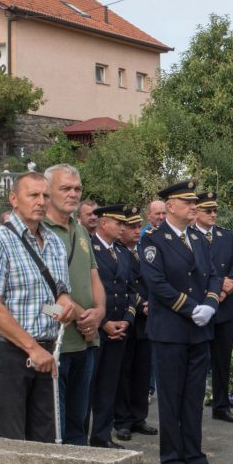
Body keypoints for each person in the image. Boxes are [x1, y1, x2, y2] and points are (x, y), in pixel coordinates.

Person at [0, 171, 77, 442]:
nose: (41, 201)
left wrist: (64, 306)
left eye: (45, 195)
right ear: (14, 199)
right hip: (8, 352)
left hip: (46, 351)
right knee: (11, 440)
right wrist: (32, 348)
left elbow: (55, 298)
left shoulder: (54, 242)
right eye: (33, 195)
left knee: (45, 438)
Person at [139, 180, 226, 464]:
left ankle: (194, 456)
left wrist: (211, 304)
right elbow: (157, 283)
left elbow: (214, 275)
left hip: (198, 331)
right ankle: (172, 460)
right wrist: (192, 308)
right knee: (171, 398)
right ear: (171, 207)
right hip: (171, 331)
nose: (194, 207)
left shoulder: (199, 239)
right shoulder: (153, 240)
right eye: (188, 203)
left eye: (195, 203)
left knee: (193, 398)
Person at [41, 164, 104, 446]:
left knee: (80, 422)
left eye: (77, 188)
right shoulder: (38, 230)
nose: (73, 194)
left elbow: (94, 276)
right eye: (65, 188)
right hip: (56, 342)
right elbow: (44, 294)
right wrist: (83, 317)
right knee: (57, 425)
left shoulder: (80, 229)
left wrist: (99, 313)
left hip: (87, 340)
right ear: (48, 192)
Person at [192, 191, 233, 424]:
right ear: (196, 212)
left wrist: (227, 287)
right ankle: (194, 406)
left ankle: (221, 405)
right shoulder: (190, 236)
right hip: (202, 306)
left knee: (222, 360)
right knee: (199, 360)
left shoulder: (225, 235)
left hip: (225, 306)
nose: (213, 214)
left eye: (215, 210)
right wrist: (214, 291)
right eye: (207, 210)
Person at [88, 204, 136, 448]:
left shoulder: (124, 253)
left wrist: (127, 320)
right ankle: (79, 436)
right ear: (104, 223)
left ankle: (102, 435)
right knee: (88, 387)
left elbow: (131, 289)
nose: (123, 228)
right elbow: (86, 292)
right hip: (96, 329)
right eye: (119, 223)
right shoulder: (89, 248)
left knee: (109, 385)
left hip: (119, 329)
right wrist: (105, 323)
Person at [112, 205, 157, 442]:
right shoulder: (117, 252)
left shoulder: (144, 249)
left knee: (142, 370)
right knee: (124, 372)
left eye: (139, 226)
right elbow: (124, 284)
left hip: (147, 322)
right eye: (132, 226)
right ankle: (122, 420)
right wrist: (142, 305)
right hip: (128, 318)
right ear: (121, 229)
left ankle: (139, 416)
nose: (137, 230)